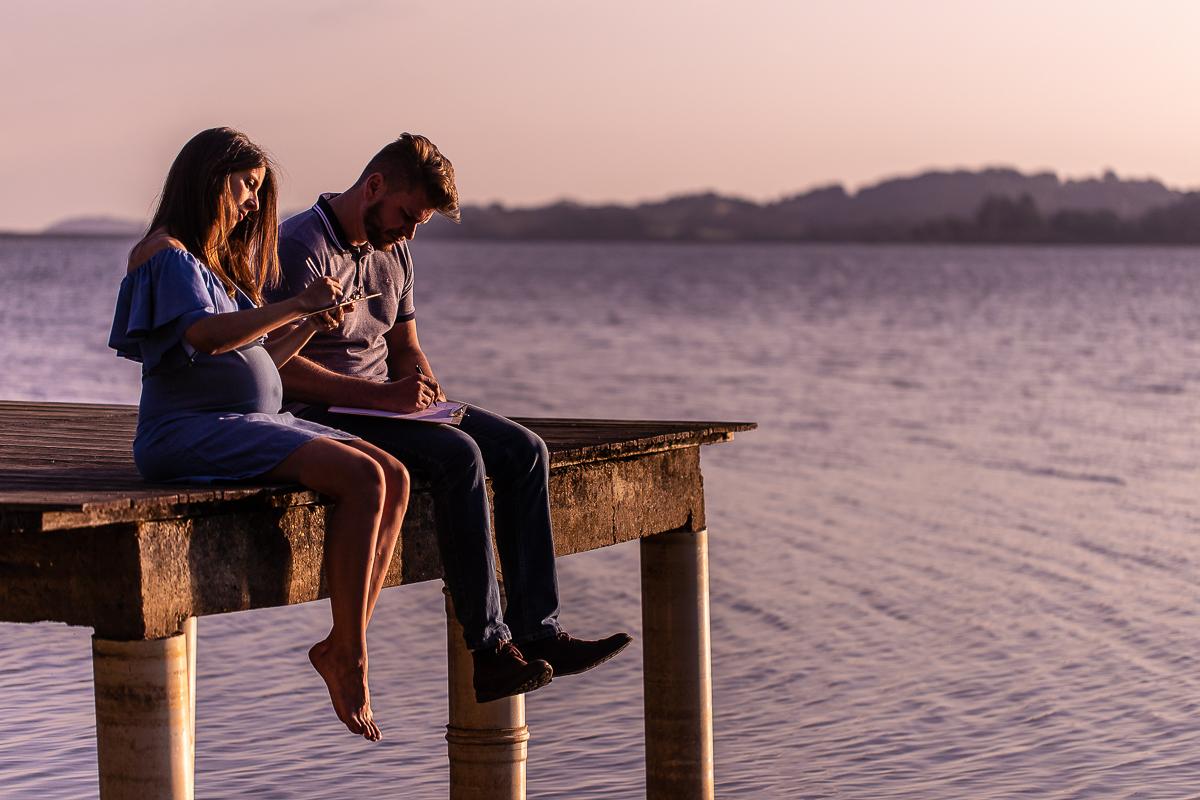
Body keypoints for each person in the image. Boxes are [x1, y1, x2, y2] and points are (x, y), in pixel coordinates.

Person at [267, 133, 631, 703]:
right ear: (375, 186)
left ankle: (538, 631)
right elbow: (274, 372)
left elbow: (406, 344)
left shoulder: (397, 253)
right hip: (320, 413)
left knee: (524, 451)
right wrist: (385, 400)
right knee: (458, 458)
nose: (409, 233)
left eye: (419, 224)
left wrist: (422, 385)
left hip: (385, 404)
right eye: (407, 216)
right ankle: (488, 652)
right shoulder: (297, 246)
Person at [109, 127, 409, 741]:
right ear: (210, 177)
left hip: (246, 422)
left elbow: (259, 360)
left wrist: (305, 323)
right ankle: (349, 655)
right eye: (246, 187)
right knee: (359, 477)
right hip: (187, 429)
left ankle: (345, 643)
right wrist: (298, 303)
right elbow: (206, 340)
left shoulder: (210, 267)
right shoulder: (163, 253)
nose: (251, 203)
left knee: (394, 476)